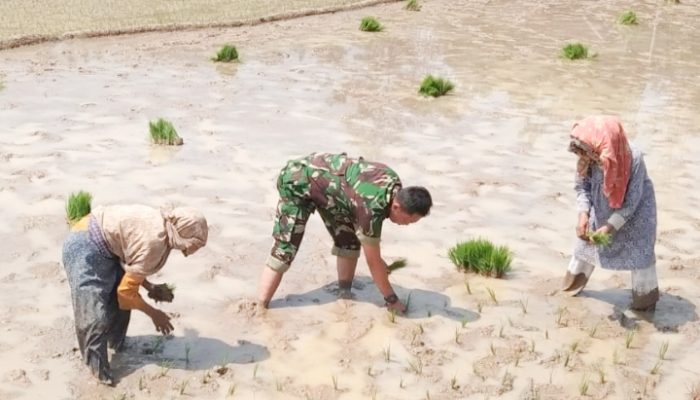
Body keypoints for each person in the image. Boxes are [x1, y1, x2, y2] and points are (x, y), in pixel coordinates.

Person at [257, 152, 432, 313]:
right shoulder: (371, 209)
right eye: (409, 220)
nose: (407, 225)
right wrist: (391, 300)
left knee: (349, 240)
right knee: (285, 248)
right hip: (297, 181)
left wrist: (378, 261)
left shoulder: (393, 183)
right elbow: (372, 261)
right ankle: (261, 306)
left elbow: (354, 197)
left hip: (333, 192)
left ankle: (344, 294)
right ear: (396, 207)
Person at [62, 204, 208, 385]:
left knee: (122, 301)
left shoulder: (164, 226)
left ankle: (115, 343)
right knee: (94, 316)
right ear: (182, 233)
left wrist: (150, 288)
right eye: (194, 244)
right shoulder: (155, 243)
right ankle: (98, 373)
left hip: (106, 243)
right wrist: (154, 314)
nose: (193, 250)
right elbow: (125, 294)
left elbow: (131, 259)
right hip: (84, 243)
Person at [562, 115, 659, 311]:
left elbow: (632, 202)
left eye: (589, 154)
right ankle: (570, 287)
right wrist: (583, 215)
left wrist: (609, 226)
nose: (586, 158)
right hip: (601, 207)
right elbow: (582, 187)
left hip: (637, 213)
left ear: (603, 148)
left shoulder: (634, 159)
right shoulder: (587, 154)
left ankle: (645, 303)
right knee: (584, 248)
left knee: (641, 258)